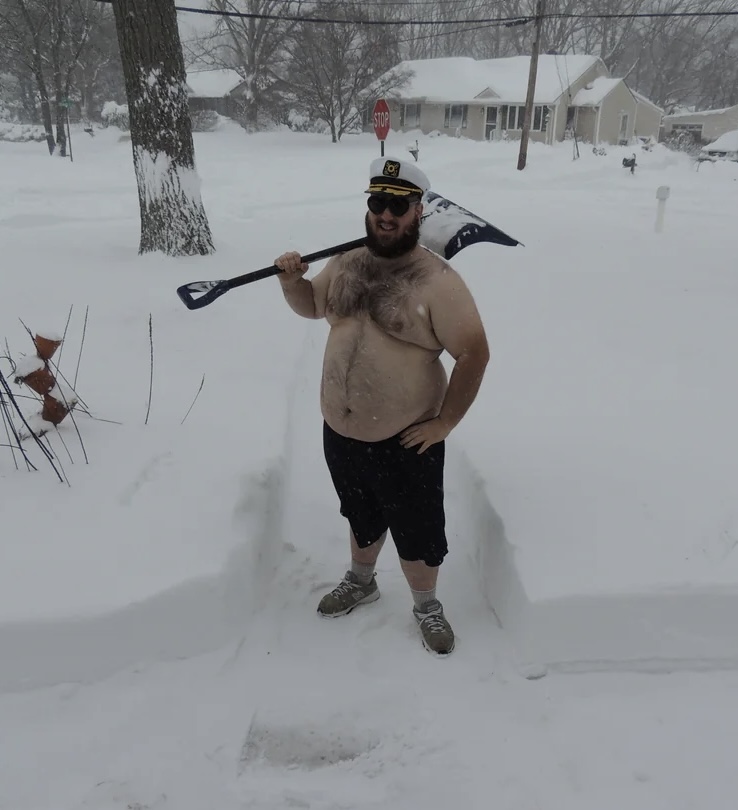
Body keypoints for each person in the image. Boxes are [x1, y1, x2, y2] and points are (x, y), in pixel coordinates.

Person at [274, 156, 489, 656]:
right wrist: (291, 282)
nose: (386, 214)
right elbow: (313, 306)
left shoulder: (438, 281)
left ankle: (426, 605)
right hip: (341, 430)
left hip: (406, 437)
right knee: (361, 512)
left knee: (418, 530)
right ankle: (362, 580)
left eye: (398, 205)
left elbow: (474, 353)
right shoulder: (346, 261)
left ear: (418, 212)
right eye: (377, 203)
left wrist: (445, 423)